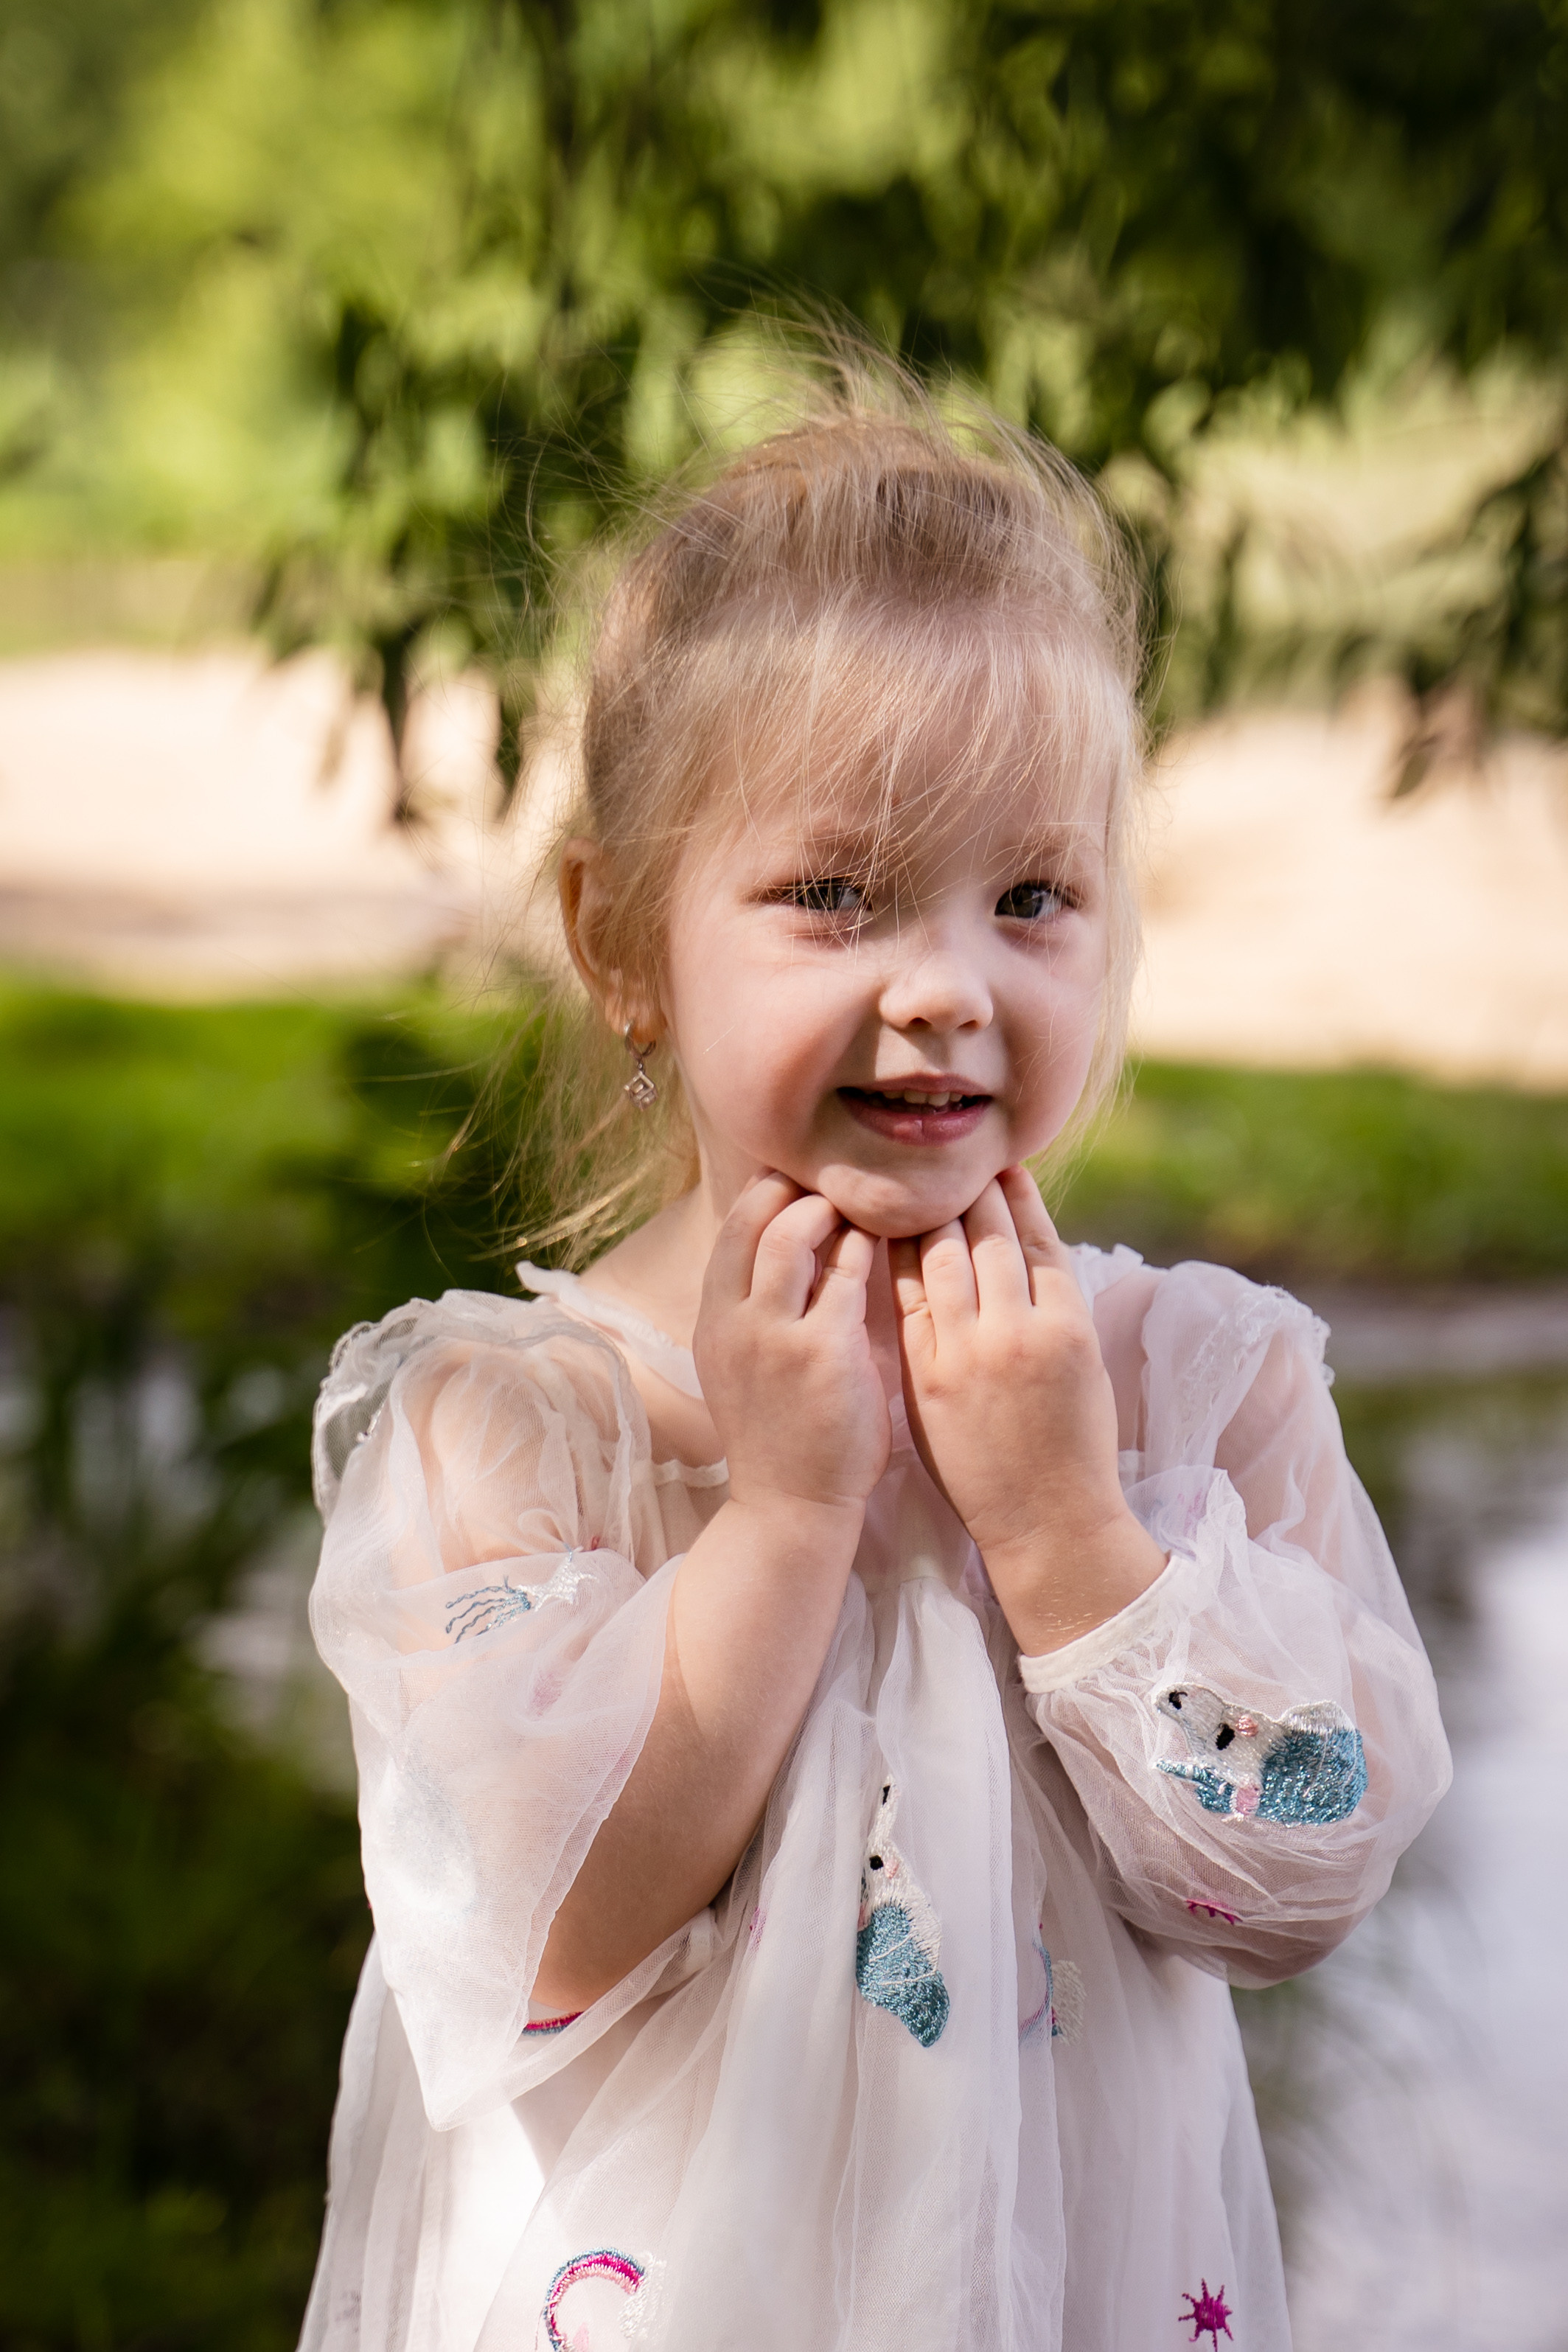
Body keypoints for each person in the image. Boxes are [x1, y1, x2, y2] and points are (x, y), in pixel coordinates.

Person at [300, 379, 1450, 2352]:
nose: (944, 985)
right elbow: (544, 1926)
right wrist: (785, 1513)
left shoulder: (1197, 1388)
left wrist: (1074, 1535)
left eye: (1029, 898)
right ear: (626, 942)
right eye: (834, 894)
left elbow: (1296, 1879)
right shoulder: (515, 1425)